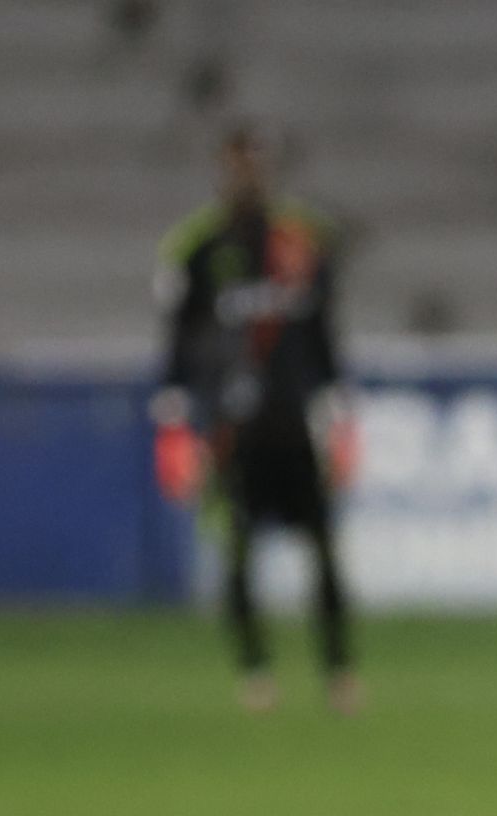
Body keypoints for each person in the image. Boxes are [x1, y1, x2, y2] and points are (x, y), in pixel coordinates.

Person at [153, 124, 361, 715]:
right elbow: (176, 344)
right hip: (233, 427)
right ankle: (256, 671)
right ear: (224, 171)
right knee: (239, 550)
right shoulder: (197, 248)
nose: (247, 176)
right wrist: (173, 425)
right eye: (237, 165)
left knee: (324, 548)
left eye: (255, 164)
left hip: (296, 422)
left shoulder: (300, 241)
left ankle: (339, 671)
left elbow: (324, 337)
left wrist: (340, 418)